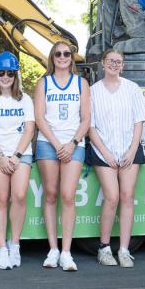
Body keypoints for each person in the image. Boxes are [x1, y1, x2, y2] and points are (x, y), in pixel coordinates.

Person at [87, 48, 145, 268]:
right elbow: (90, 126)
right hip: (103, 150)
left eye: (118, 61)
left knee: (127, 196)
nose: (114, 64)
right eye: (111, 61)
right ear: (103, 64)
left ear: (123, 65)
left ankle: (124, 250)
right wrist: (106, 153)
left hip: (129, 149)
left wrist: (132, 150)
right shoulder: (93, 91)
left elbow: (139, 121)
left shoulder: (132, 89)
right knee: (112, 197)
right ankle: (104, 248)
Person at [34, 40, 91, 272]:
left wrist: (73, 142)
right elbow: (40, 118)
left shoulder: (81, 83)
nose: (62, 56)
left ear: (72, 57)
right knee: (50, 194)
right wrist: (58, 144)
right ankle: (53, 249)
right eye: (58, 53)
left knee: (67, 196)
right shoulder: (43, 83)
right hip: (49, 144)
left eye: (67, 53)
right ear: (52, 57)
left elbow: (86, 118)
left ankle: (66, 252)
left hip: (74, 143)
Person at [0, 51, 37, 270]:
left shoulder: (25, 99)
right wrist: (2, 157)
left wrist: (16, 156)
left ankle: (15, 244)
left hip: (21, 153)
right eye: (1, 72)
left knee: (19, 196)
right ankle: (1, 248)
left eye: (10, 73)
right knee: (1, 199)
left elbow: (29, 129)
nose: (5, 77)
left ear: (15, 75)